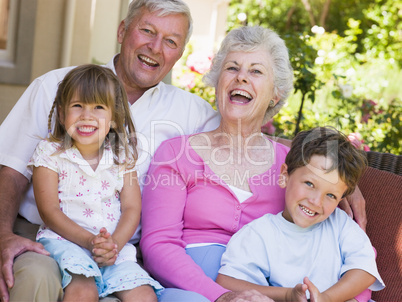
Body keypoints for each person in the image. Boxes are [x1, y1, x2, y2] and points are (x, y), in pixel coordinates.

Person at [0, 1, 219, 301]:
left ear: (180, 53)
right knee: (38, 276)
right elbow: (10, 173)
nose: (155, 47)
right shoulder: (56, 87)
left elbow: (240, 142)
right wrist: (2, 236)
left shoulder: (194, 114)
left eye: (170, 41)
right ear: (122, 31)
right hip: (49, 239)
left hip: (128, 251)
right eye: (147, 31)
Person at [140, 25, 292, 302]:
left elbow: (329, 233)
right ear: (218, 81)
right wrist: (223, 297)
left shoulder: (292, 165)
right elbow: (158, 245)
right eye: (232, 68)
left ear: (275, 94)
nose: (241, 78)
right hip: (188, 292)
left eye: (256, 71)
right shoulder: (177, 153)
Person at [28, 64, 164, 300]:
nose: (86, 116)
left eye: (99, 107)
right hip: (67, 242)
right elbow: (48, 210)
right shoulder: (50, 153)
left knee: (144, 296)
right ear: (62, 114)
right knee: (83, 291)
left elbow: (132, 208)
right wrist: (89, 241)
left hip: (112, 248)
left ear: (113, 118)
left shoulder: (122, 157)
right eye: (77, 106)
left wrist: (113, 245)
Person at [216, 126, 385, 302]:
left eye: (330, 195)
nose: (316, 201)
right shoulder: (259, 233)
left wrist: (325, 298)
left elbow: (365, 271)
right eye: (310, 184)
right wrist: (288, 295)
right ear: (284, 176)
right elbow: (227, 282)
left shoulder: (340, 224)